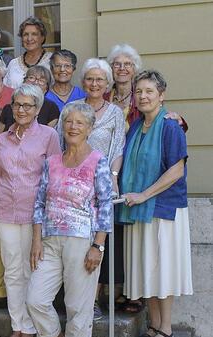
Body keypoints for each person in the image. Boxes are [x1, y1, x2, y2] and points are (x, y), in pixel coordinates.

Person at [26, 102, 113, 337]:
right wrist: (36, 240)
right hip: (50, 241)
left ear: (89, 129)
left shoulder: (98, 160)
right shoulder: (52, 162)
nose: (73, 126)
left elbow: (106, 206)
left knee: (78, 308)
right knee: (35, 300)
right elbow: (40, 203)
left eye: (80, 123)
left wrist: (98, 245)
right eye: (69, 121)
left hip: (82, 241)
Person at [119, 70, 193, 337]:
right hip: (137, 208)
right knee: (145, 268)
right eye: (139, 91)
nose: (143, 96)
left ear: (162, 96)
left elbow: (175, 171)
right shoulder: (136, 126)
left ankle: (166, 327)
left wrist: (143, 195)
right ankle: (153, 324)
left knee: (164, 268)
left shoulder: (171, 126)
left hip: (163, 209)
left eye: (149, 91)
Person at [56, 58, 125, 319]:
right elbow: (61, 146)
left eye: (100, 79)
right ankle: (73, 299)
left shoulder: (115, 113)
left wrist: (114, 177)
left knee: (97, 241)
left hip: (102, 184)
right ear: (82, 82)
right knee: (75, 241)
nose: (94, 83)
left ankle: (92, 302)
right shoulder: (72, 109)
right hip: (74, 187)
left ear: (107, 84)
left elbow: (117, 148)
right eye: (90, 79)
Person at [0, 84, 61, 337]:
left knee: (34, 269)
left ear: (37, 109)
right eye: (17, 104)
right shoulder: (1, 140)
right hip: (5, 213)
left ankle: (33, 326)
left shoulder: (48, 136)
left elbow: (54, 176)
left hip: (36, 216)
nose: (21, 110)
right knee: (12, 270)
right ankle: (18, 325)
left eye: (27, 105)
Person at [0, 65, 60, 131]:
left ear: (47, 88)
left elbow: (49, 137)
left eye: (41, 80)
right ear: (24, 81)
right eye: (31, 78)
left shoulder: (51, 108)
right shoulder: (9, 107)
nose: (35, 82)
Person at [4, 16, 52, 89]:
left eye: (34, 34)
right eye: (25, 34)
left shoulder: (52, 61)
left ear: (42, 38)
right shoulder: (13, 64)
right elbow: (6, 90)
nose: (29, 38)